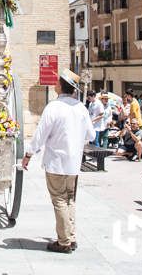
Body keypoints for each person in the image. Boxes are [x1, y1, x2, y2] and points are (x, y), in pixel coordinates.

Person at [23, 69, 95, 254]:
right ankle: (71, 237)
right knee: (70, 199)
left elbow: (40, 135)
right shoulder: (81, 108)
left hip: (56, 163)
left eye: (57, 81)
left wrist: (29, 154)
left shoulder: (53, 107)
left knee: (60, 201)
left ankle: (63, 242)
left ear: (60, 85)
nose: (54, 83)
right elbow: (91, 135)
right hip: (73, 164)